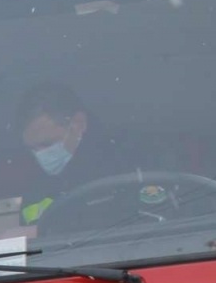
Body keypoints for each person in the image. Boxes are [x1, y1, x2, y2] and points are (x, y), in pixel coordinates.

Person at [13, 82, 147, 224]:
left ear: (78, 124)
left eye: (47, 144)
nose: (41, 155)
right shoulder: (36, 187)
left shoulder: (127, 165)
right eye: (33, 149)